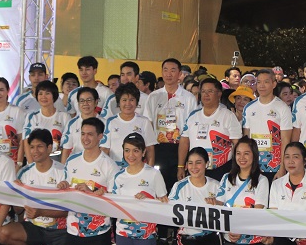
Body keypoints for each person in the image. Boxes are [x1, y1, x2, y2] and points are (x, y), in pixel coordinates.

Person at [0, 128, 68, 245]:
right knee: (2, 234)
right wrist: (16, 193)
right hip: (34, 227)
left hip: (59, 231)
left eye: (40, 146)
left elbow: (69, 211)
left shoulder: (64, 172)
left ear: (49, 148)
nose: (35, 151)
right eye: (32, 147)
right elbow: (18, 210)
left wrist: (41, 212)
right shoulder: (24, 172)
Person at [111, 133, 174, 245]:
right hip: (123, 234)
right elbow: (113, 204)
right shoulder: (118, 176)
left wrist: (148, 198)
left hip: (146, 235)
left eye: (136, 151)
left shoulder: (153, 174)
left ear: (144, 152)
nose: (131, 155)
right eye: (127, 150)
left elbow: (163, 203)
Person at [58, 117, 118, 245]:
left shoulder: (109, 165)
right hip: (74, 229)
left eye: (90, 134)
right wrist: (63, 185)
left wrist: (91, 192)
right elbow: (66, 187)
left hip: (99, 231)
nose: (85, 138)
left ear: (100, 137)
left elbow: (114, 199)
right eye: (83, 134)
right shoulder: (72, 161)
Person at [214, 137, 270, 245]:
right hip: (232, 236)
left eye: (246, 153)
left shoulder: (262, 180)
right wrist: (212, 203)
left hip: (253, 238)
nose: (242, 157)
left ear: (254, 155)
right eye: (238, 153)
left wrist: (241, 229)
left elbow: (258, 211)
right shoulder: (226, 178)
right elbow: (220, 206)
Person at [170, 147, 222, 245]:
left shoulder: (216, 185)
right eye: (190, 163)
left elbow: (227, 209)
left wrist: (218, 203)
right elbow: (168, 210)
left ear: (206, 164)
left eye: (198, 162)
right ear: (186, 165)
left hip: (210, 236)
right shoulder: (179, 186)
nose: (194, 167)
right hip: (188, 237)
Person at [144, 58, 196, 191]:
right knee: (158, 188)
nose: (168, 74)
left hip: (180, 148)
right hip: (158, 148)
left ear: (180, 74)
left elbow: (192, 127)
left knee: (177, 187)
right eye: (165, 70)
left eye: (173, 70)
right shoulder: (153, 96)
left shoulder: (188, 98)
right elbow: (148, 124)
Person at [178, 78, 242, 181]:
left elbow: (237, 143)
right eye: (203, 91)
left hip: (221, 169)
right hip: (195, 169)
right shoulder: (193, 116)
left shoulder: (228, 116)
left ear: (219, 94)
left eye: (210, 91)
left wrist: (235, 167)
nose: (206, 95)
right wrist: (181, 166)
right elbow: (184, 141)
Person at [242, 68, 292, 183]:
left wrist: (282, 167)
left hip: (274, 166)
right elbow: (246, 139)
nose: (262, 86)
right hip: (253, 166)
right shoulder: (249, 108)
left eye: (266, 82)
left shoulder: (282, 108)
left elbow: (286, 140)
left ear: (274, 84)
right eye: (259, 82)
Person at [103, 83, 156, 166]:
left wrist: (149, 169)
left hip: (138, 168)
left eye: (131, 100)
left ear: (137, 102)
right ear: (118, 102)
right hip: (115, 168)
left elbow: (150, 149)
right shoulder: (110, 121)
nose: (128, 104)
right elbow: (105, 149)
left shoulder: (144, 121)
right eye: (124, 100)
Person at [21, 80, 70, 163]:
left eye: (47, 93)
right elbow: (26, 142)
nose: (43, 97)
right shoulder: (32, 116)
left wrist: (62, 165)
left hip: (57, 160)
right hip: (36, 161)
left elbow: (67, 144)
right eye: (40, 94)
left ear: (54, 96)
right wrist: (31, 165)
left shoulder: (64, 117)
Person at [60, 87, 106, 162]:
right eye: (82, 101)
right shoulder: (72, 123)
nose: (85, 104)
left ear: (96, 102)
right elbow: (66, 150)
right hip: (76, 164)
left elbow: (106, 149)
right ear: (78, 103)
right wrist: (64, 167)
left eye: (89, 100)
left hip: (97, 163)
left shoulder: (105, 123)